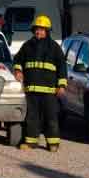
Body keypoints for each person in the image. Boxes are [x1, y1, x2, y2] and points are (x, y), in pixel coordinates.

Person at [13, 15, 67, 152]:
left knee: (51, 117)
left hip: (49, 91)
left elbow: (62, 67)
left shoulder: (54, 47)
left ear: (47, 31)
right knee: (32, 117)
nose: (39, 32)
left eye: (42, 29)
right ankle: (31, 142)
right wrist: (18, 71)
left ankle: (53, 143)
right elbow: (18, 60)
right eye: (37, 29)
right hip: (31, 90)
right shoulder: (27, 45)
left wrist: (61, 86)